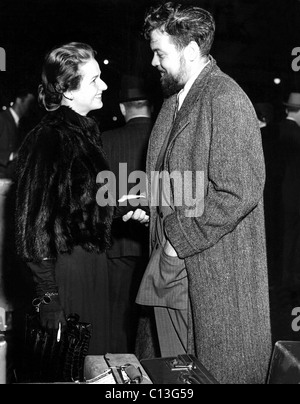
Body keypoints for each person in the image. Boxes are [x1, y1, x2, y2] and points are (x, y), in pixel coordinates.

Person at [123, 2, 272, 384]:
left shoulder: (225, 99)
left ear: (190, 50)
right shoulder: (175, 99)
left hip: (210, 275)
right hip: (180, 269)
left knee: (202, 374)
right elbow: (185, 177)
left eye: (160, 53)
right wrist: (152, 205)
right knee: (172, 374)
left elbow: (238, 191)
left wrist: (175, 239)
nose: (154, 62)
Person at [14, 42, 113, 357]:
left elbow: (73, 205)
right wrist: (48, 299)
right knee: (74, 364)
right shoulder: (49, 138)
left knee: (94, 362)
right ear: (68, 91)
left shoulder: (81, 133)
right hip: (66, 274)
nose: (104, 85)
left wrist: (119, 208)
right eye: (94, 79)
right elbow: (31, 229)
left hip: (90, 266)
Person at [101, 75, 153, 353]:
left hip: (117, 246)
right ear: (152, 107)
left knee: (118, 318)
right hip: (155, 245)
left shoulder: (106, 140)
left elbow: (101, 198)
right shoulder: (165, 137)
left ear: (123, 109)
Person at [279, 92, 300, 295]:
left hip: (287, 192)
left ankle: (289, 278)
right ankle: (290, 279)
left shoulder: (283, 129)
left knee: (290, 237)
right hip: (295, 195)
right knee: (293, 238)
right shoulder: (292, 132)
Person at [0, 89, 34, 179]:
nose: (30, 107)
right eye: (29, 102)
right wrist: (11, 156)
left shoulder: (17, 123)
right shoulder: (2, 119)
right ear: (19, 100)